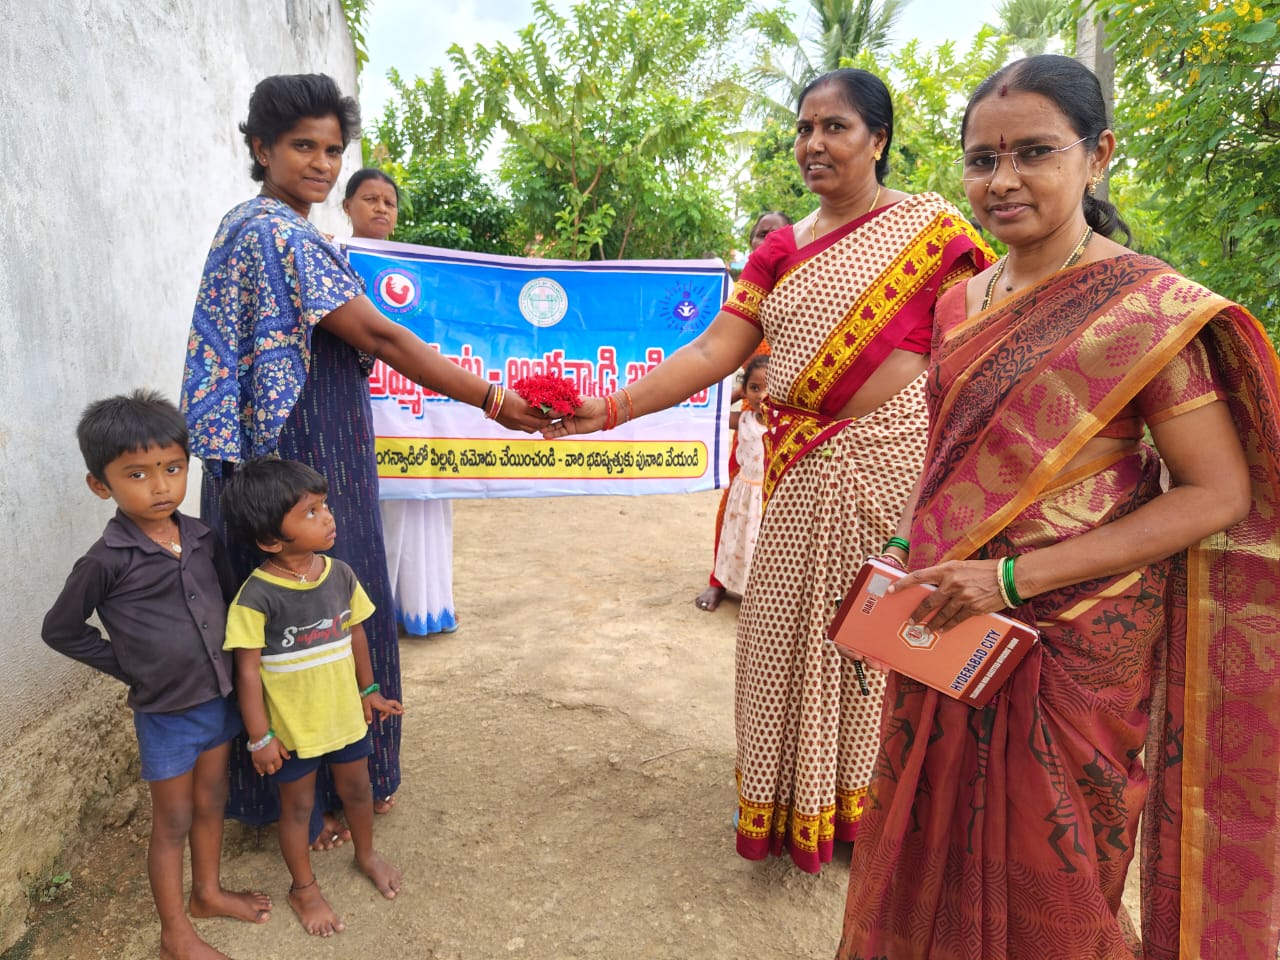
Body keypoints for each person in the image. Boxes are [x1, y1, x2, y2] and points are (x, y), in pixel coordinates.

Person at [835, 54, 1280, 959]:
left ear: (1098, 154)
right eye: (981, 158)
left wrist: (1011, 577)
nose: (1001, 182)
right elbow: (953, 457)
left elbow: (1219, 492)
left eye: (1033, 152)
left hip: (1073, 641)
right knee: (924, 843)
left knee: (1058, 881)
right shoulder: (961, 303)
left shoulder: (1144, 310)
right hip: (947, 623)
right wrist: (903, 548)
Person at [544, 68, 992, 872]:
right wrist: (611, 410)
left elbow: (978, 353)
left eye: (837, 128)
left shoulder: (934, 232)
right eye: (804, 128)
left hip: (891, 466)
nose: (814, 144)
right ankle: (794, 806)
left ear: (878, 140)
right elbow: (719, 348)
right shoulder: (782, 247)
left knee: (877, 641)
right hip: (797, 468)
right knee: (781, 640)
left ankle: (868, 811)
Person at [178, 75, 545, 844]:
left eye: (332, 150)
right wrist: (492, 399)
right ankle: (339, 787)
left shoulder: (246, 227)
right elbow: (380, 338)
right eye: (302, 146)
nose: (320, 163)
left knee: (272, 611)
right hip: (307, 446)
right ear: (260, 148)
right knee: (327, 603)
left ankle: (287, 786)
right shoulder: (279, 234)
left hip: (272, 455)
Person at [42, 390, 272, 960]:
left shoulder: (200, 536)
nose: (161, 485)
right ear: (102, 485)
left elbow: (224, 599)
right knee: (172, 819)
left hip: (218, 701)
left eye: (172, 468)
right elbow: (61, 630)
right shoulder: (106, 560)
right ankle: (175, 934)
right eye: (137, 474)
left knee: (213, 797)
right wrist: (130, 668)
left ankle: (208, 893)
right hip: (166, 714)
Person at [221, 458, 404, 937]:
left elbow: (357, 634)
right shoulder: (256, 596)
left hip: (345, 717)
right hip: (294, 730)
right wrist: (260, 737)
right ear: (269, 541)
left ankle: (366, 855)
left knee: (359, 791)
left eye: (323, 506)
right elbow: (247, 671)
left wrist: (370, 691)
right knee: (298, 810)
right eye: (310, 512)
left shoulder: (339, 573)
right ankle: (303, 888)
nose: (327, 517)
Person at [343, 167, 459, 637]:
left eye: (388, 202)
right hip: (369, 407)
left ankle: (427, 608)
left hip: (422, 408)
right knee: (378, 510)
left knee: (428, 501)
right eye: (369, 198)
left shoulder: (421, 272)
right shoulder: (334, 260)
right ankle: (374, 615)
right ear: (347, 205)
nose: (380, 208)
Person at [695, 212, 790, 613]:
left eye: (775, 233)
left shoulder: (802, 292)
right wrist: (735, 400)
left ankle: (766, 588)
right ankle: (720, 579)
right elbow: (717, 354)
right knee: (735, 507)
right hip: (752, 423)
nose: (766, 239)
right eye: (760, 233)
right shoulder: (742, 298)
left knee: (779, 515)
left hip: (789, 428)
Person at [710, 352, 768, 598]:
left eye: (770, 388)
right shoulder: (744, 419)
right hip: (742, 494)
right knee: (735, 540)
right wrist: (740, 392)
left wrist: (752, 388)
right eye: (755, 388)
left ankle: (755, 598)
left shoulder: (785, 422)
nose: (762, 395)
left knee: (760, 547)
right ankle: (720, 584)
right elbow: (711, 412)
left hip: (768, 497)